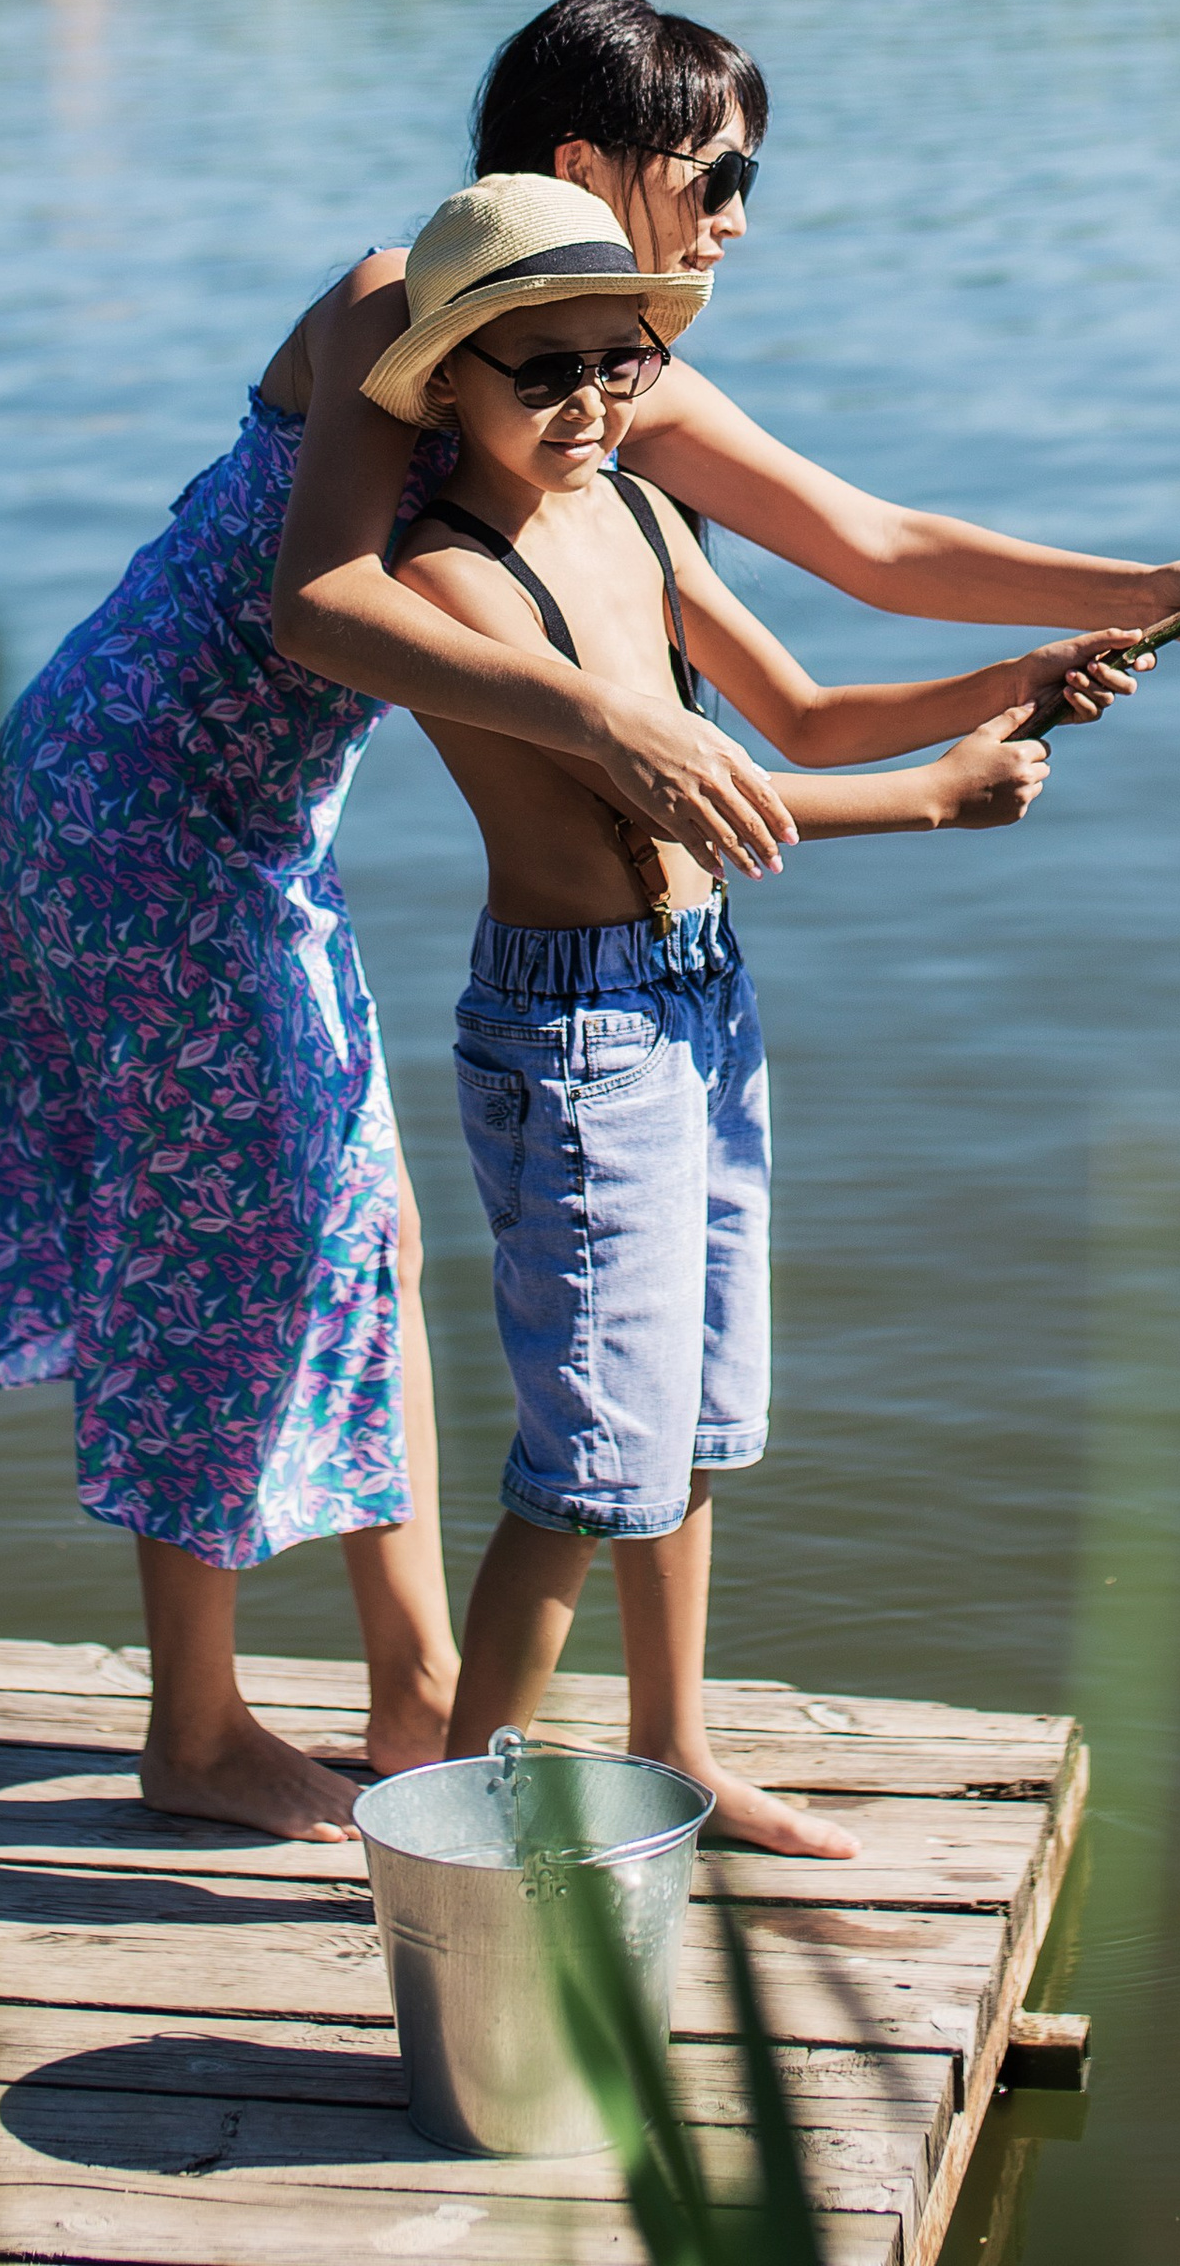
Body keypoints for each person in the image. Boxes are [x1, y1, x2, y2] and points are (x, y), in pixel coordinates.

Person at [0, 0, 1180, 1844]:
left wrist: (1153, 585)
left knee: (365, 1225)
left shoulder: (598, 374)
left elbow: (872, 550)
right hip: (133, 804)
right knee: (255, 1233)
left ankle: (421, 1692)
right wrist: (609, 717)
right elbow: (321, 609)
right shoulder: (402, 314)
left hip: (263, 819)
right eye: (717, 170)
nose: (741, 211)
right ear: (583, 168)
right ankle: (197, 1726)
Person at [376, 175, 1137, 1856]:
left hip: (700, 999)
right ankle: (458, 1841)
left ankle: (682, 1744)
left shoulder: (639, 517)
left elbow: (796, 706)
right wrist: (935, 800)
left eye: (618, 366)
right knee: (585, 1456)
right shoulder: (448, 573)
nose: (589, 404)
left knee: (695, 1413)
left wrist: (1021, 678)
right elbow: (663, 797)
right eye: (541, 374)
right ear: (448, 384)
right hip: (576, 1039)